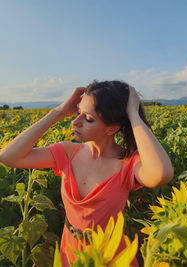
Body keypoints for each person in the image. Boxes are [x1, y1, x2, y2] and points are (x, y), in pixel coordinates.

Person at [0, 80, 174, 267]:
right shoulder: (67, 153)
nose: (75, 122)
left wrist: (133, 114)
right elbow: (9, 157)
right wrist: (57, 112)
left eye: (88, 118)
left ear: (112, 128)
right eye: (77, 113)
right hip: (71, 251)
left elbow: (162, 174)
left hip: (111, 255)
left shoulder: (129, 163)